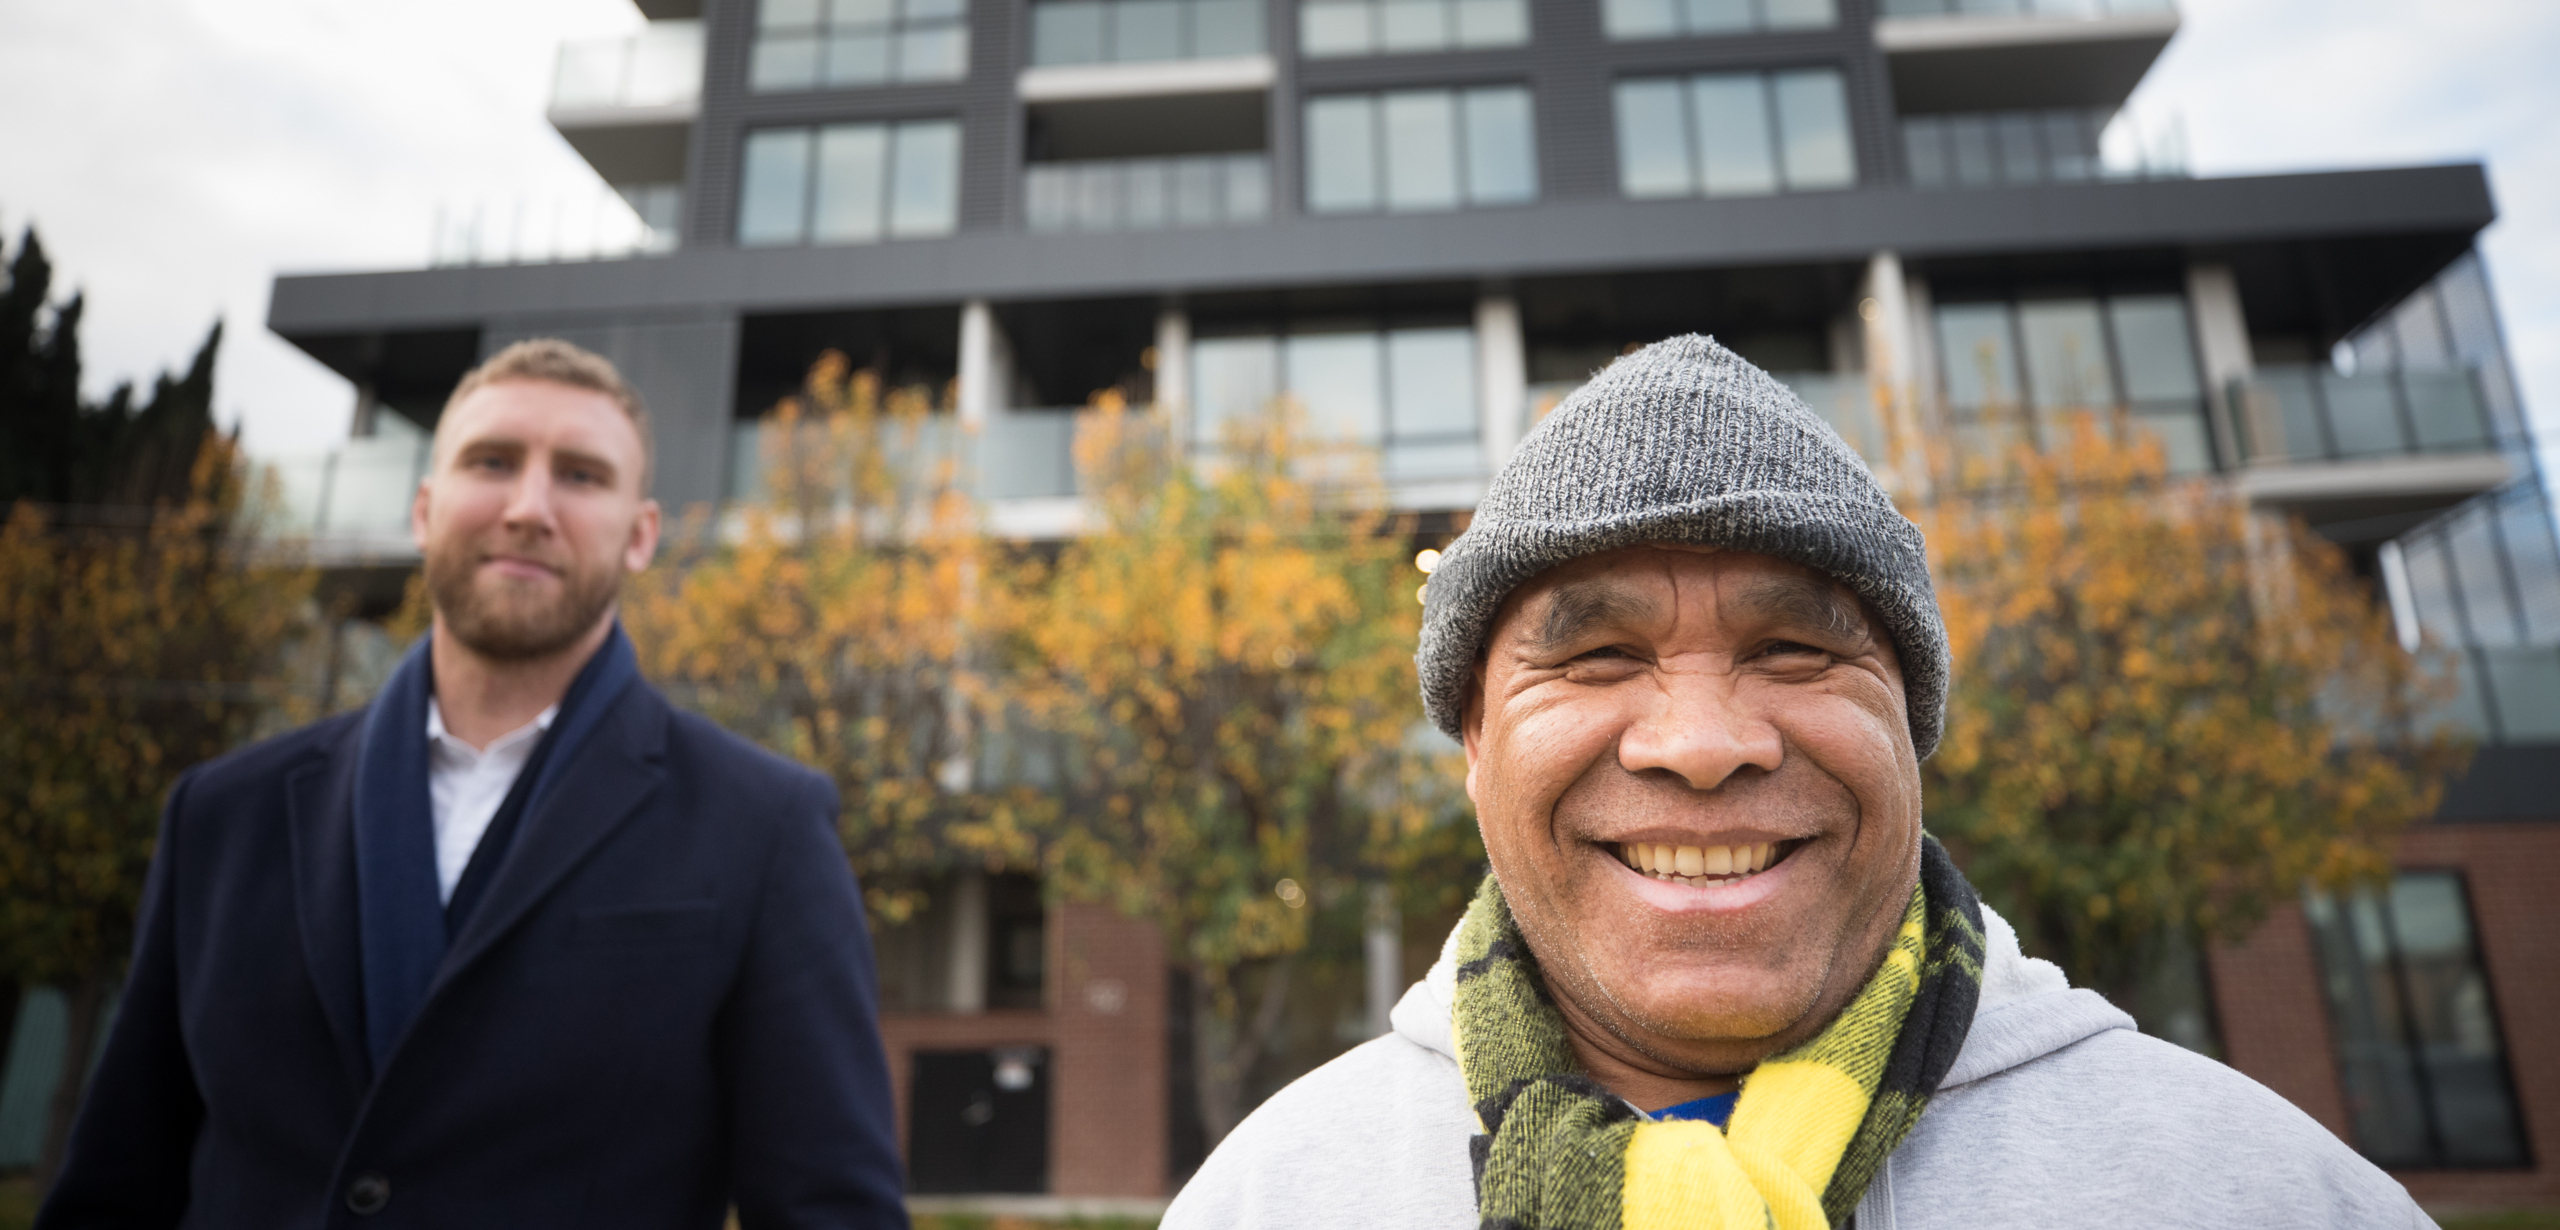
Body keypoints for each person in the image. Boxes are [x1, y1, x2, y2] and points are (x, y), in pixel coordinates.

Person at [1162, 336, 2431, 1229]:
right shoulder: (1267, 1199)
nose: (1702, 741)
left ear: (1909, 728)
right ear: (1477, 746)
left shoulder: (2259, 1196)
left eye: (1796, 649)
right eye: (1596, 657)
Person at [39, 340, 908, 1229]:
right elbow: (117, 1187)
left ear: (641, 535)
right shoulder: (222, 816)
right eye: (492, 462)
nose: (529, 508)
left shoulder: (763, 827)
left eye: (580, 475)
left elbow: (833, 1213)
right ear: (424, 508)